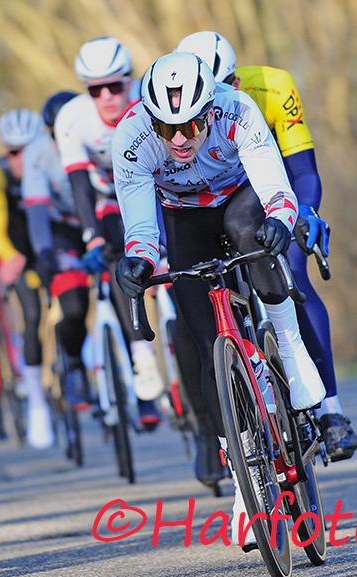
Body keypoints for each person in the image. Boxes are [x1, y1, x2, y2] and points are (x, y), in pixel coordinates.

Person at [113, 52, 326, 548]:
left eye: (190, 125)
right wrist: (138, 261)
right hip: (182, 215)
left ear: (210, 110)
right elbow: (141, 224)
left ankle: (289, 345)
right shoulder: (131, 137)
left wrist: (280, 219)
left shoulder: (239, 109)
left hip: (240, 197)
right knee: (209, 347)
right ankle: (245, 488)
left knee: (247, 230)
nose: (179, 139)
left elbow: (274, 184)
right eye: (166, 129)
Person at [174, 30, 357, 461]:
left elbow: (303, 170)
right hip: (208, 203)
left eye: (225, 88)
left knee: (292, 277)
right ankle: (223, 425)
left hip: (268, 194)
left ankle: (331, 411)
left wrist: (305, 212)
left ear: (237, 80)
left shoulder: (272, 87)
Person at [54, 36, 164, 429]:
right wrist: (92, 236)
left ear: (129, 82)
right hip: (104, 196)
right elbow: (78, 185)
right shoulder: (73, 118)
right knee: (117, 252)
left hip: (153, 184)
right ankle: (140, 355)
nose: (106, 97)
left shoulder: (149, 103)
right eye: (95, 89)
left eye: (114, 86)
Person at [0, 108, 54, 448]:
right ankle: (38, 404)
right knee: (31, 315)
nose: (21, 160)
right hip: (19, 248)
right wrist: (9, 256)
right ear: (3, 150)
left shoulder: (51, 162)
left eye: (28, 150)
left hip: (50, 242)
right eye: (14, 152)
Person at [21, 91, 92, 413]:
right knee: (73, 306)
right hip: (62, 231)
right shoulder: (37, 153)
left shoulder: (99, 137)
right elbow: (36, 210)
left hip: (100, 219)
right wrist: (45, 251)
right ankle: (74, 363)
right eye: (56, 133)